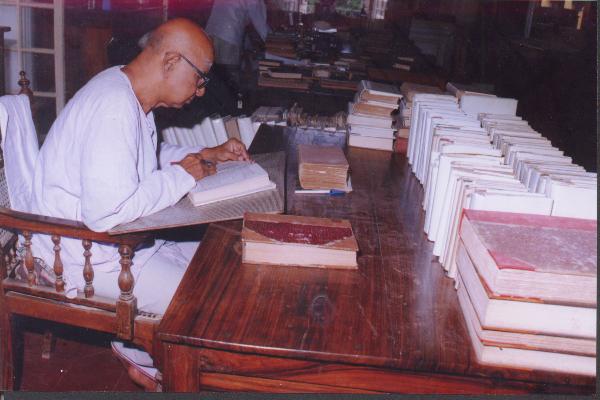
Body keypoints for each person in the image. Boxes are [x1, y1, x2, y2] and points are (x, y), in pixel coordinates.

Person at [28, 18, 249, 390]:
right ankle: (163, 368)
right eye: (200, 79)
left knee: (221, 262)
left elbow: (142, 158)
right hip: (85, 255)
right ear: (171, 62)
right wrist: (183, 175)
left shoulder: (125, 87)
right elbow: (107, 213)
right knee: (211, 303)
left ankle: (140, 349)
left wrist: (205, 154)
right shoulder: (114, 106)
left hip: (116, 245)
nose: (200, 92)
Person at [205, 0, 269, 80]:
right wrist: (272, 43)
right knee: (229, 78)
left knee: (214, 75)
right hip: (228, 37)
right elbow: (261, 25)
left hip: (210, 33)